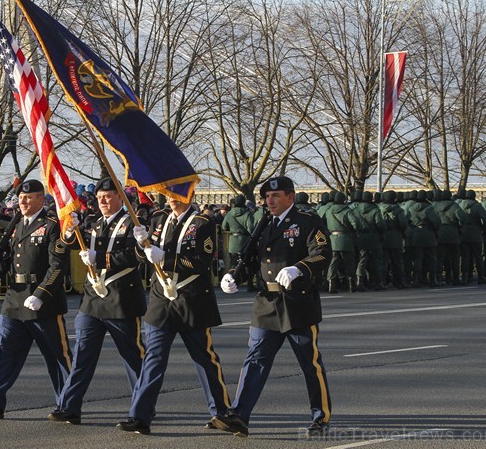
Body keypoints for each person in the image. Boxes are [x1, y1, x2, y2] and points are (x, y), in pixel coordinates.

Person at [216, 176, 332, 438]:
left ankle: (321, 417)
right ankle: (239, 415)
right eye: (267, 197)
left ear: (290, 197)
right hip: (266, 303)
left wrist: (299, 268)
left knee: (309, 364)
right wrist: (233, 275)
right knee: (255, 361)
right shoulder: (264, 223)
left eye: (275, 196)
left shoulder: (307, 222)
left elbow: (323, 254)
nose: (270, 201)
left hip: (297, 303)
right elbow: (252, 259)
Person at [117, 192, 230, 435]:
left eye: (177, 195)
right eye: (168, 195)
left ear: (189, 194)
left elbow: (202, 261)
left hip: (192, 298)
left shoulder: (203, 222)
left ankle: (221, 412)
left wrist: (166, 258)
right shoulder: (159, 218)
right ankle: (139, 416)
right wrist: (140, 244)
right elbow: (143, 257)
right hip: (162, 298)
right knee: (153, 359)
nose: (171, 199)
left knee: (204, 358)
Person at [0, 180, 73, 420]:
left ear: (40, 199)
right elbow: (7, 258)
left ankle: (69, 404)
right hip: (15, 298)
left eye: (28, 198)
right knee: (5, 352)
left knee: (57, 356)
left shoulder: (51, 226)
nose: (22, 202)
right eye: (20, 198)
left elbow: (57, 266)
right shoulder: (17, 223)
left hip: (42, 302)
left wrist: (41, 294)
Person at [49, 177, 147, 425]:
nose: (102, 202)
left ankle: (143, 406)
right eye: (100, 198)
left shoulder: (132, 224)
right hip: (93, 300)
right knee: (83, 356)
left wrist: (100, 257)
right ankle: (70, 406)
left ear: (119, 198)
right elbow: (71, 244)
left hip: (121, 297)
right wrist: (70, 231)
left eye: (108, 197)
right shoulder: (94, 223)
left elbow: (135, 257)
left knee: (133, 357)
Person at [221, 195, 255, 291]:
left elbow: (224, 226)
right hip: (245, 240)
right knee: (248, 263)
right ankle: (250, 284)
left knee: (233, 263)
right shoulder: (247, 213)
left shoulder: (229, 213)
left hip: (233, 241)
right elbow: (250, 228)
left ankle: (232, 282)